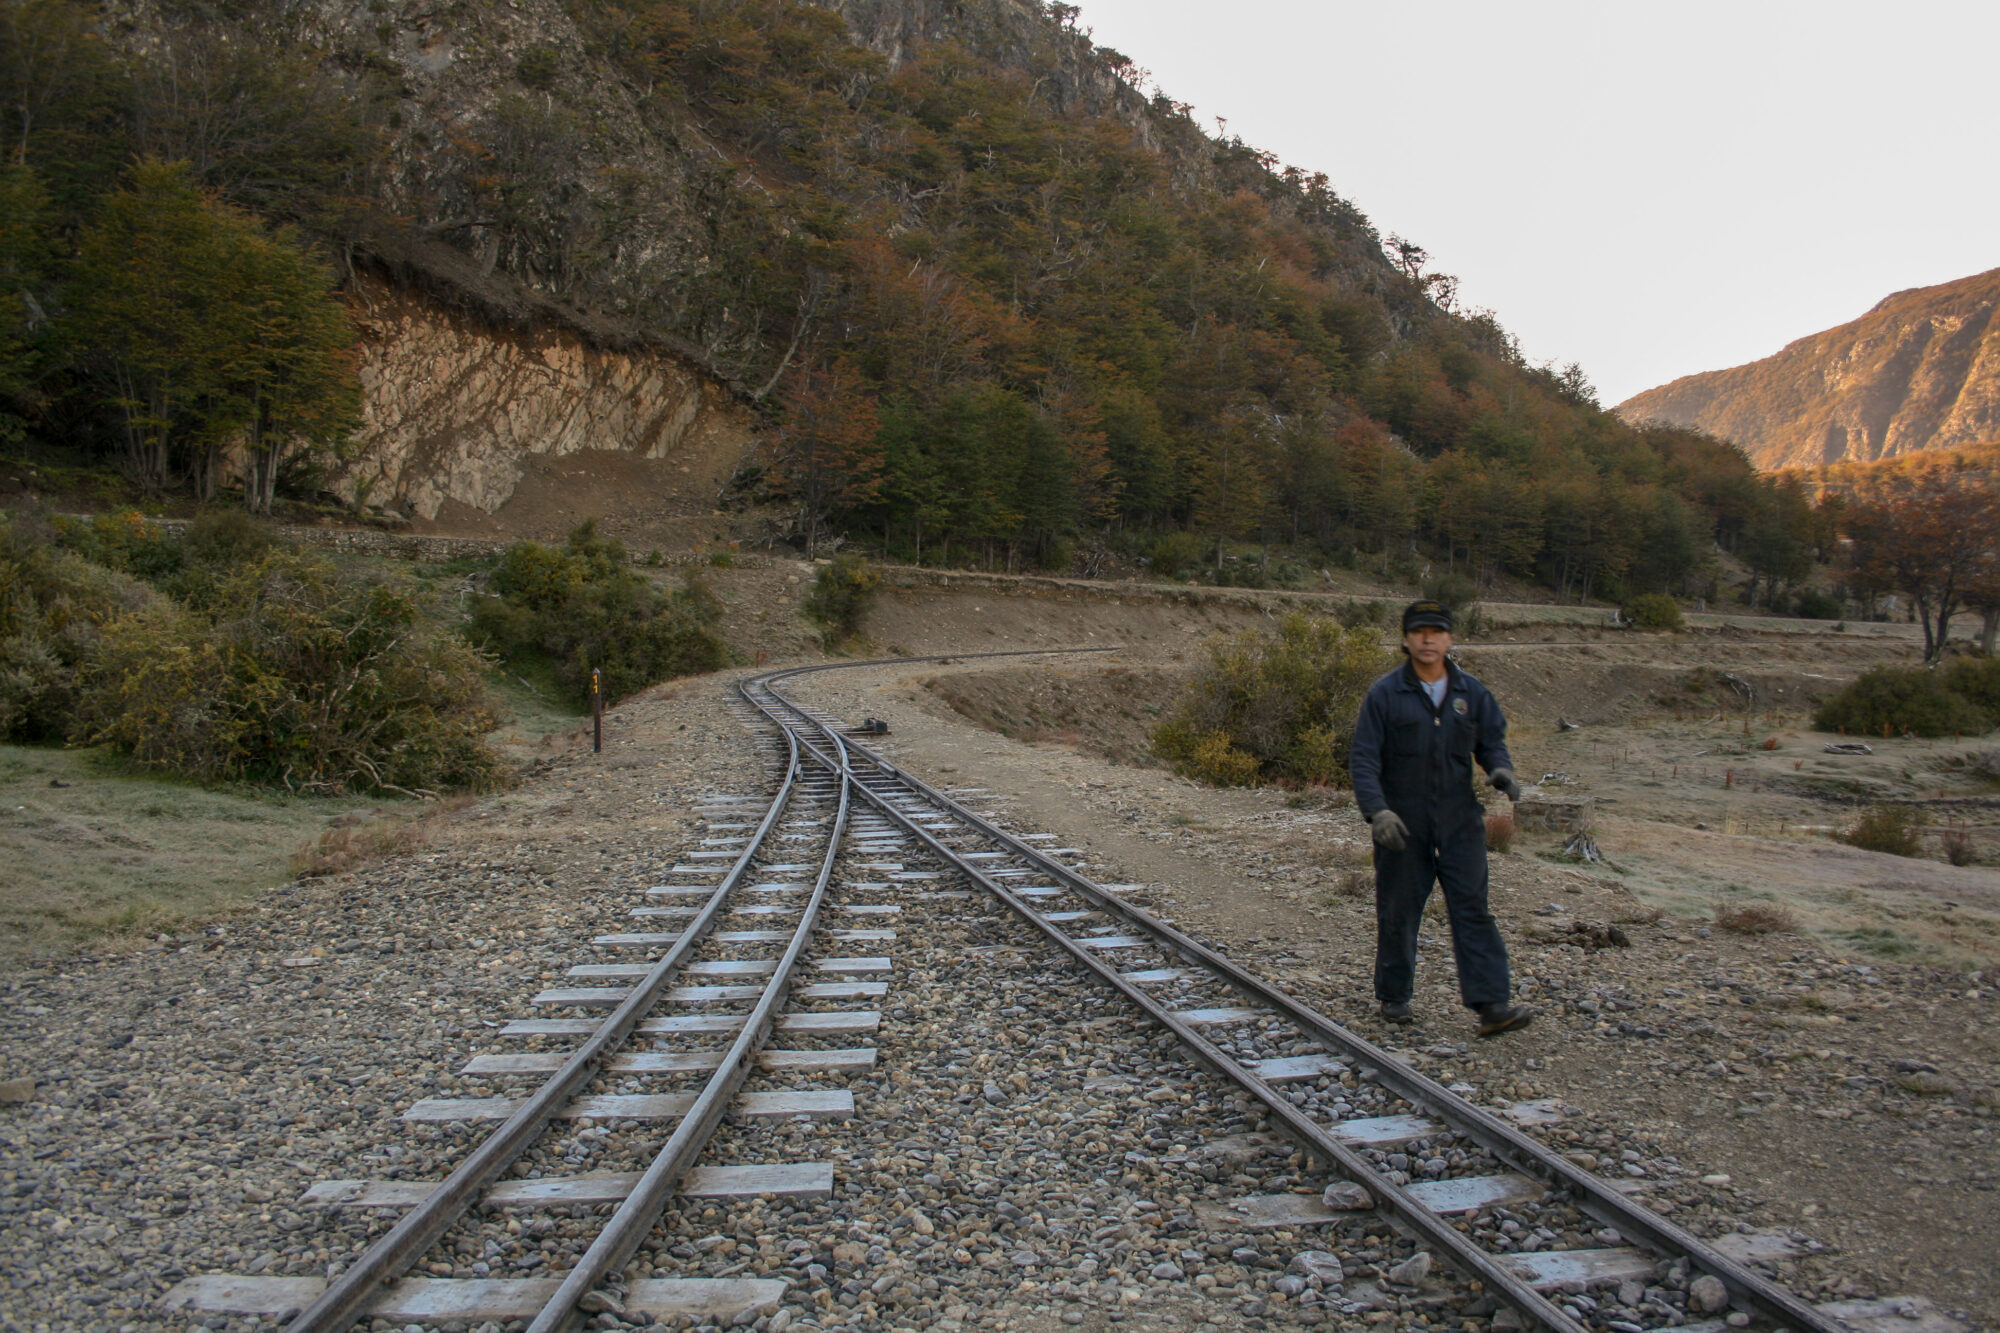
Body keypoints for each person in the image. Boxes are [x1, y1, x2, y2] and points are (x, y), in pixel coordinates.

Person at [1349, 600, 1533, 1037]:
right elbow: (1364, 759)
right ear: (1406, 639)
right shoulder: (1385, 694)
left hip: (1459, 821)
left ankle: (1492, 1005)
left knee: (1473, 909)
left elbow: (1491, 742)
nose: (1428, 639)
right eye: (1419, 631)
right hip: (1402, 824)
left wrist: (1500, 769)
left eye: (1436, 631)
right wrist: (1377, 812)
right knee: (1399, 909)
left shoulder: (1472, 693)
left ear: (1449, 639)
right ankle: (1394, 997)